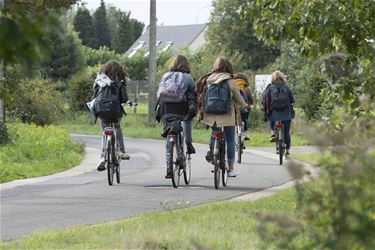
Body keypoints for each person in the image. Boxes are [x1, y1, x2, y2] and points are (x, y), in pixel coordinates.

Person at [200, 57, 248, 177]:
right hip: (227, 115)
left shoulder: (208, 80)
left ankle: (212, 152)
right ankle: (230, 168)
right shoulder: (230, 81)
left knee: (214, 132)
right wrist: (245, 106)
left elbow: (202, 96)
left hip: (211, 114)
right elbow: (239, 99)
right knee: (230, 140)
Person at [155, 55, 197, 178]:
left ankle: (168, 165)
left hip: (165, 108)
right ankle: (188, 144)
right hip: (181, 109)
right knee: (187, 120)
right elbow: (193, 93)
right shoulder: (188, 77)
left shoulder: (165, 76)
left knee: (168, 131)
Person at [92, 60, 130, 171]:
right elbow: (124, 99)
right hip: (115, 110)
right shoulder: (120, 81)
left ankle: (103, 157)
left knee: (105, 131)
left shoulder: (99, 79)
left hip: (101, 110)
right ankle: (122, 151)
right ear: (120, 70)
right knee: (116, 126)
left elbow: (94, 96)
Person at [262, 70, 295, 156]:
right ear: (282, 77)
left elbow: (266, 101)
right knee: (287, 132)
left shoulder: (270, 88)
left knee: (274, 127)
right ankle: (287, 150)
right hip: (286, 113)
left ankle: (274, 134)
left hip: (274, 114)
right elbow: (292, 100)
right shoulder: (287, 87)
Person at [233, 73, 254, 140]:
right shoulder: (247, 88)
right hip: (243, 110)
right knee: (244, 119)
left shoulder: (232, 86)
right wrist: (248, 106)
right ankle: (245, 133)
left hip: (234, 110)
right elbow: (251, 100)